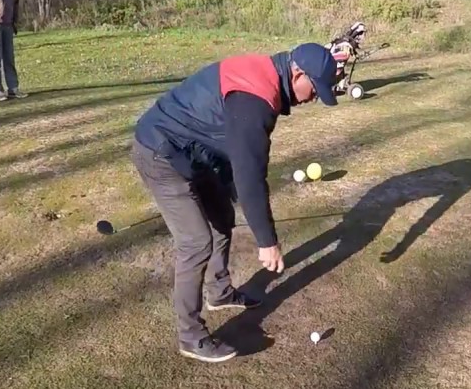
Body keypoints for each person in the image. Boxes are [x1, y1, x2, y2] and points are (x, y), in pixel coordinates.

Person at [131, 43, 339, 363]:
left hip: (193, 151)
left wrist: (227, 184)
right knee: (196, 242)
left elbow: (229, 141)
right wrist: (267, 241)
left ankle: (219, 292)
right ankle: (190, 336)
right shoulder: (256, 97)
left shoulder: (266, 81)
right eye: (314, 89)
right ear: (298, 73)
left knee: (222, 215)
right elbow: (250, 174)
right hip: (160, 152)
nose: (313, 97)